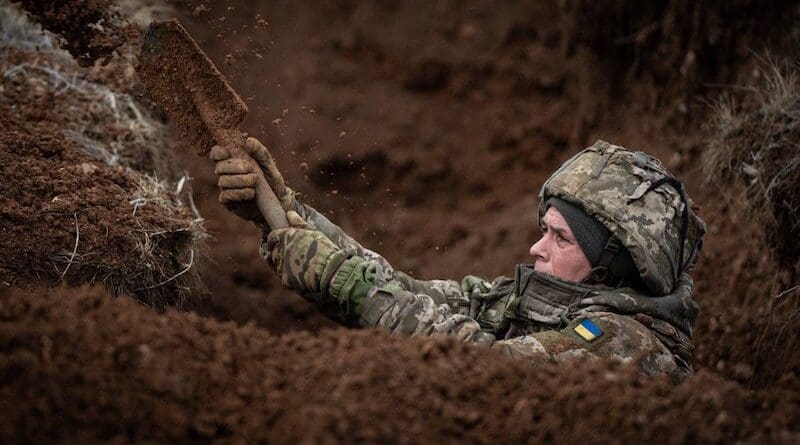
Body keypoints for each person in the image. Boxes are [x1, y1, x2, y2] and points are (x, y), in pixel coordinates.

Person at [210, 138, 706, 381]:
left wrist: (348, 281)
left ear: (610, 267)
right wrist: (287, 213)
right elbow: (411, 294)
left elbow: (490, 371)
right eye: (543, 231)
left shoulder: (628, 344)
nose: (538, 248)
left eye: (561, 238)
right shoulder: (533, 300)